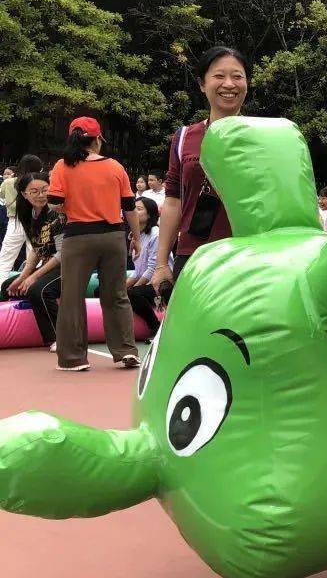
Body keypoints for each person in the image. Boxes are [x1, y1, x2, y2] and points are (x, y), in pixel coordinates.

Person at [152, 47, 248, 295]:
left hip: (247, 257)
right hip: (194, 255)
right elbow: (173, 200)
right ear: (202, 84)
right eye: (219, 76)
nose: (229, 84)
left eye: (237, 76)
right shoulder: (185, 137)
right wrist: (162, 263)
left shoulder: (263, 137)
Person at [48, 117, 140, 371]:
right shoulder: (115, 167)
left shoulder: (62, 167)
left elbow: (54, 201)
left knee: (72, 297)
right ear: (98, 139)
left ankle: (73, 358)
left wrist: (71, 207)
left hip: (78, 237)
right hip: (113, 236)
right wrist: (137, 238)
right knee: (116, 295)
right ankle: (125, 351)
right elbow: (130, 207)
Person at [0, 173, 63, 351]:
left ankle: (59, 338)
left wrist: (33, 277)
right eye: (34, 191)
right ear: (24, 194)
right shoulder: (29, 215)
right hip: (47, 265)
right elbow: (37, 249)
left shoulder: (57, 214)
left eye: (44, 190)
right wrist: (23, 276)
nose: (41, 195)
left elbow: (62, 254)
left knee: (39, 290)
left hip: (68, 267)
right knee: (8, 285)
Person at [0, 155, 44, 277]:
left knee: (5, 260)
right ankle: (31, 290)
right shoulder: (39, 183)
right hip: (34, 221)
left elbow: (2, 196)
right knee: (36, 260)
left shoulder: (8, 182)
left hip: (14, 221)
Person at [127, 197, 163, 336]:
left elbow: (152, 269)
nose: (134, 211)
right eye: (134, 208)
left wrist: (132, 288)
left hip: (159, 283)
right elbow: (138, 271)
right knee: (105, 290)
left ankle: (155, 326)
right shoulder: (137, 237)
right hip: (145, 281)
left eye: (139, 209)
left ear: (150, 214)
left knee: (132, 293)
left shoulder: (155, 234)